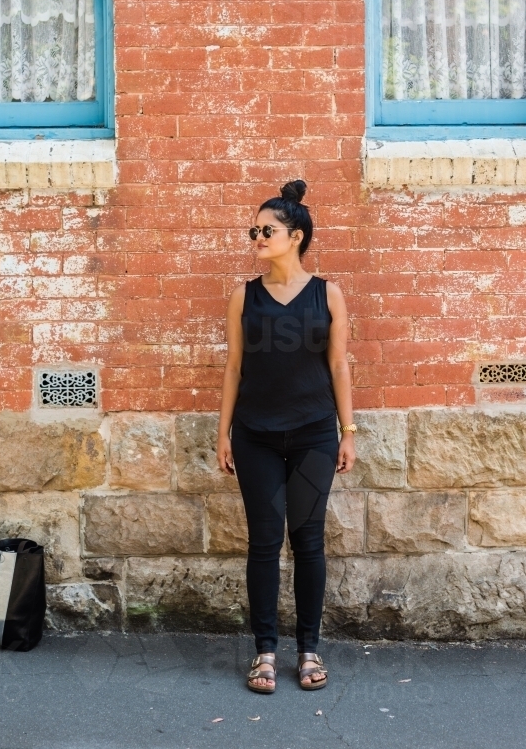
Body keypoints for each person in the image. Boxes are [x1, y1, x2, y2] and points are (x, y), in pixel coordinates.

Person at [216, 180, 356, 694]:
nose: (257, 236)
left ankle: (310, 649)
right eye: (254, 229)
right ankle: (266, 653)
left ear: (295, 236)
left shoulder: (328, 294)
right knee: (264, 543)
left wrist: (348, 431)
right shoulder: (243, 296)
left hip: (315, 435)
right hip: (254, 436)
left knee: (309, 540)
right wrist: (223, 432)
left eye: (266, 229)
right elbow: (233, 368)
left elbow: (338, 365)